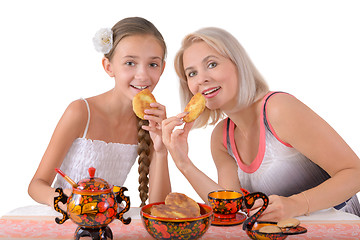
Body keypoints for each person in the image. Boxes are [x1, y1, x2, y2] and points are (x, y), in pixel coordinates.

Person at [162, 27, 360, 221]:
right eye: (191, 73)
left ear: (239, 65)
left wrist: (297, 204)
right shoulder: (222, 137)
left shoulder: (279, 109)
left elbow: (355, 173)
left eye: (212, 64)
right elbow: (233, 210)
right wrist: (183, 162)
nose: (202, 79)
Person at [28, 17, 171, 208]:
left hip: (110, 225)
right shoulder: (80, 112)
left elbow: (160, 208)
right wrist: (74, 202)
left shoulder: (151, 122)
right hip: (65, 219)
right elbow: (36, 186)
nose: (143, 75)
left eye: (152, 64)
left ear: (162, 68)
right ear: (108, 67)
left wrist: (161, 150)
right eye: (130, 63)